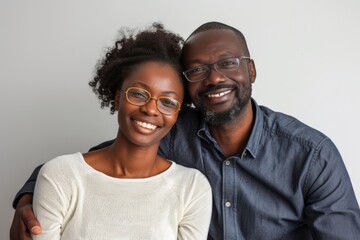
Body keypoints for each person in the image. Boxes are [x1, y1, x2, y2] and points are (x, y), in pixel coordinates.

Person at [11, 21, 360, 240]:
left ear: (251, 70)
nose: (215, 78)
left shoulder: (311, 155)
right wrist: (27, 200)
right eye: (197, 70)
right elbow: (95, 164)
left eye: (227, 63)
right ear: (186, 92)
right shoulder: (172, 132)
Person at [17, 23, 212, 240]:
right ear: (117, 96)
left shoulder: (192, 188)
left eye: (167, 101)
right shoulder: (61, 176)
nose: (150, 109)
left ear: (178, 113)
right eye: (138, 93)